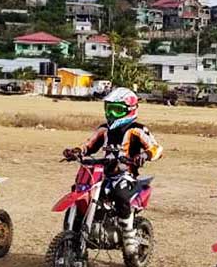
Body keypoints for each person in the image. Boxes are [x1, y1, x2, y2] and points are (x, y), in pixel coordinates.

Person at [63, 87, 162, 256]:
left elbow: (157, 148)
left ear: (130, 110)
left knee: (120, 193)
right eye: (109, 109)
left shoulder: (137, 130)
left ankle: (129, 235)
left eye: (116, 110)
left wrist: (144, 156)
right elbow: (89, 145)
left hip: (125, 175)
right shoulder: (104, 130)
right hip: (102, 173)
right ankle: (74, 238)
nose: (111, 114)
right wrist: (77, 151)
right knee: (80, 192)